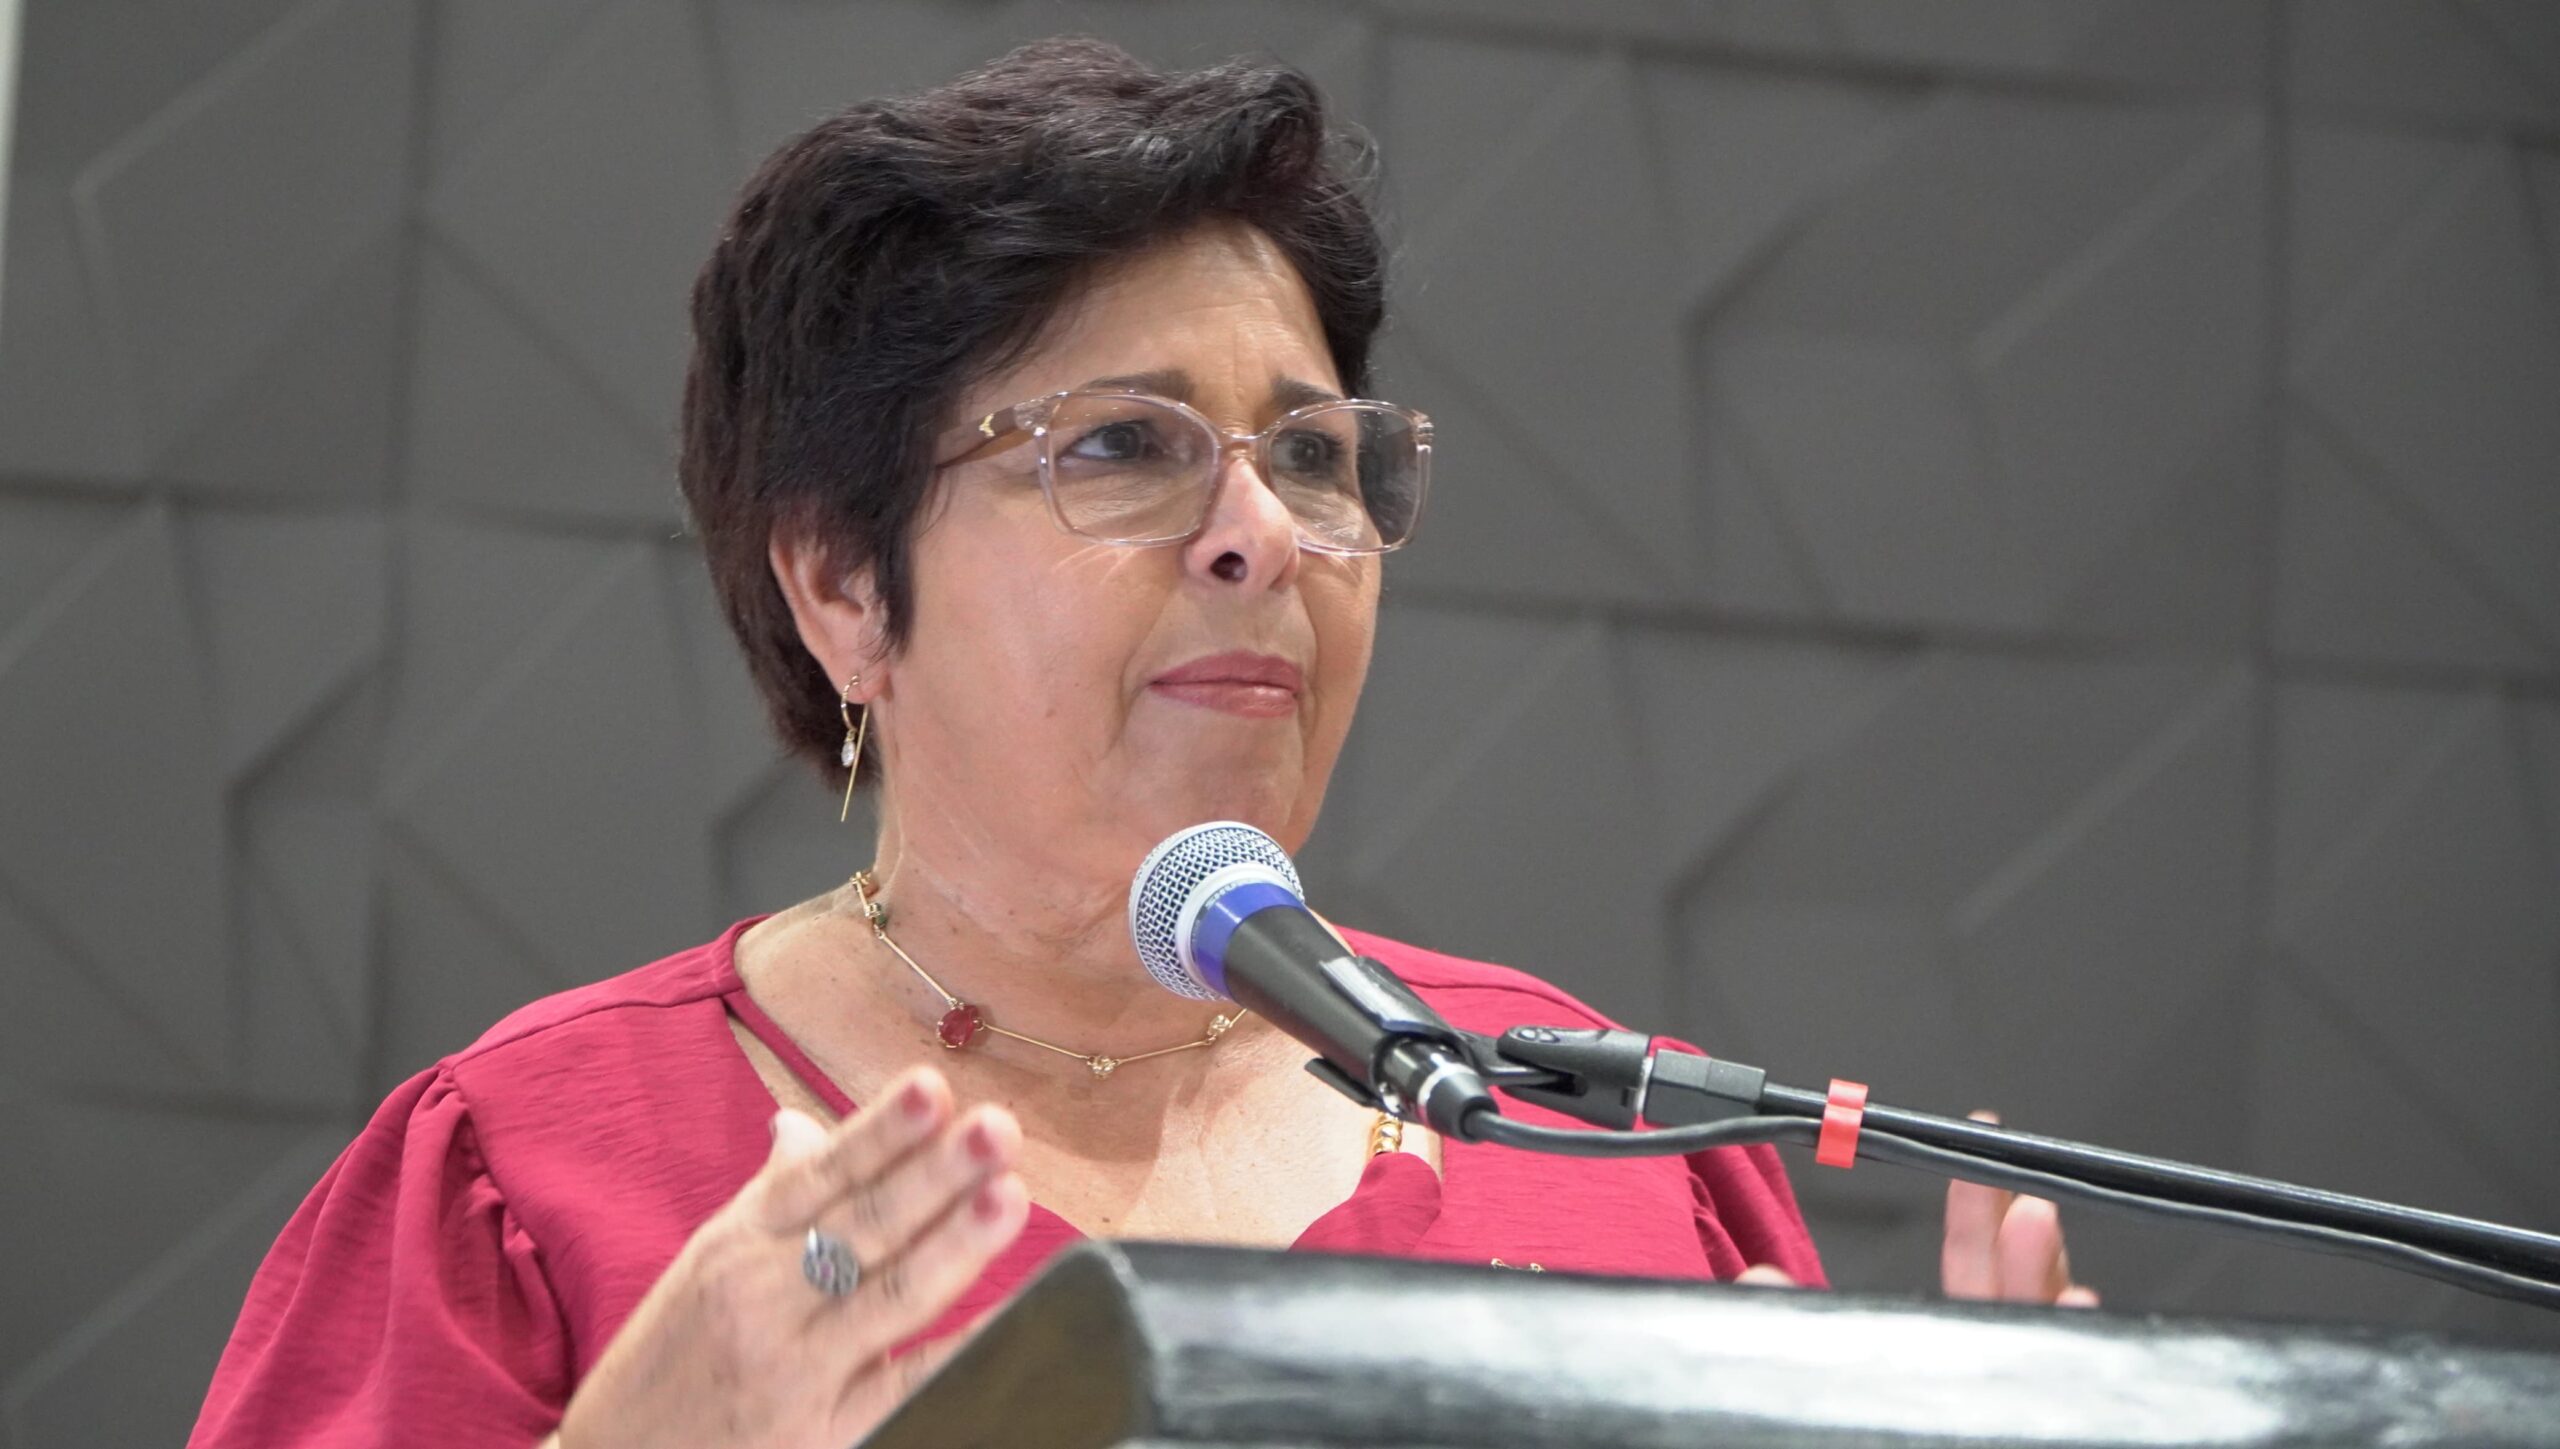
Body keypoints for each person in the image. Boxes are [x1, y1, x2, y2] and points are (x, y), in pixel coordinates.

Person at [189, 38, 2090, 1449]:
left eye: (1314, 455)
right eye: (1122, 444)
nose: (1263, 531)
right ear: (843, 581)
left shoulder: (1612, 1148)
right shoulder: (532, 1184)